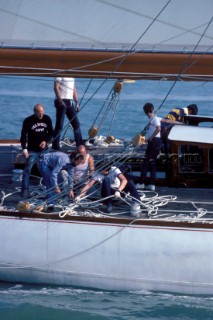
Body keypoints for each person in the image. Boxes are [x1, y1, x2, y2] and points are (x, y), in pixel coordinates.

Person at [76, 164, 141, 213]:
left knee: (130, 182)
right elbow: (89, 185)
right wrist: (79, 196)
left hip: (118, 191)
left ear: (109, 170)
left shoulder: (114, 169)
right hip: (106, 193)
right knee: (106, 179)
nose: (103, 173)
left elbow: (124, 180)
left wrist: (118, 191)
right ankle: (109, 204)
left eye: (106, 172)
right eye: (102, 171)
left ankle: (137, 201)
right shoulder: (97, 173)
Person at [20, 104, 53, 198]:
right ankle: (25, 191)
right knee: (27, 170)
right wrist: (24, 149)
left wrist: (45, 141)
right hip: (32, 150)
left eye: (42, 112)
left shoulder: (47, 119)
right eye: (39, 113)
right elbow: (23, 136)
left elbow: (51, 132)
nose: (41, 115)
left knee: (47, 169)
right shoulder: (28, 121)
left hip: (44, 149)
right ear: (35, 112)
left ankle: (49, 190)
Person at [136, 103, 162, 191]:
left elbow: (158, 128)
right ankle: (151, 184)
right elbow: (165, 121)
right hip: (157, 142)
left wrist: (150, 138)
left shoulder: (154, 119)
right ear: (152, 109)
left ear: (145, 112)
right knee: (152, 162)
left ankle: (141, 183)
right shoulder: (153, 119)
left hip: (154, 141)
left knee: (146, 162)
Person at [52, 77, 83, 150]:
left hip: (70, 101)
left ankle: (80, 144)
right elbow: (56, 88)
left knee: (76, 124)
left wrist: (77, 102)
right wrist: (60, 101)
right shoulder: (60, 74)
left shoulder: (71, 76)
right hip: (61, 100)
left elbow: (73, 89)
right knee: (59, 125)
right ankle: (55, 146)